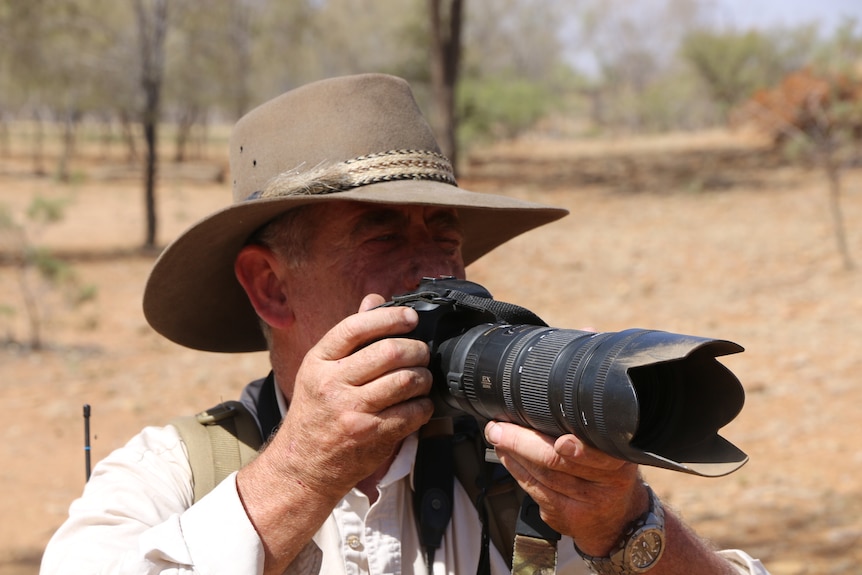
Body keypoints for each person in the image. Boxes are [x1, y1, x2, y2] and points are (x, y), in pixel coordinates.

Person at [41, 73, 769, 575]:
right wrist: (298, 473)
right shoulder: (170, 473)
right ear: (271, 287)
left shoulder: (519, 466)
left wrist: (625, 524)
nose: (436, 275)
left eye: (444, 235)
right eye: (381, 236)